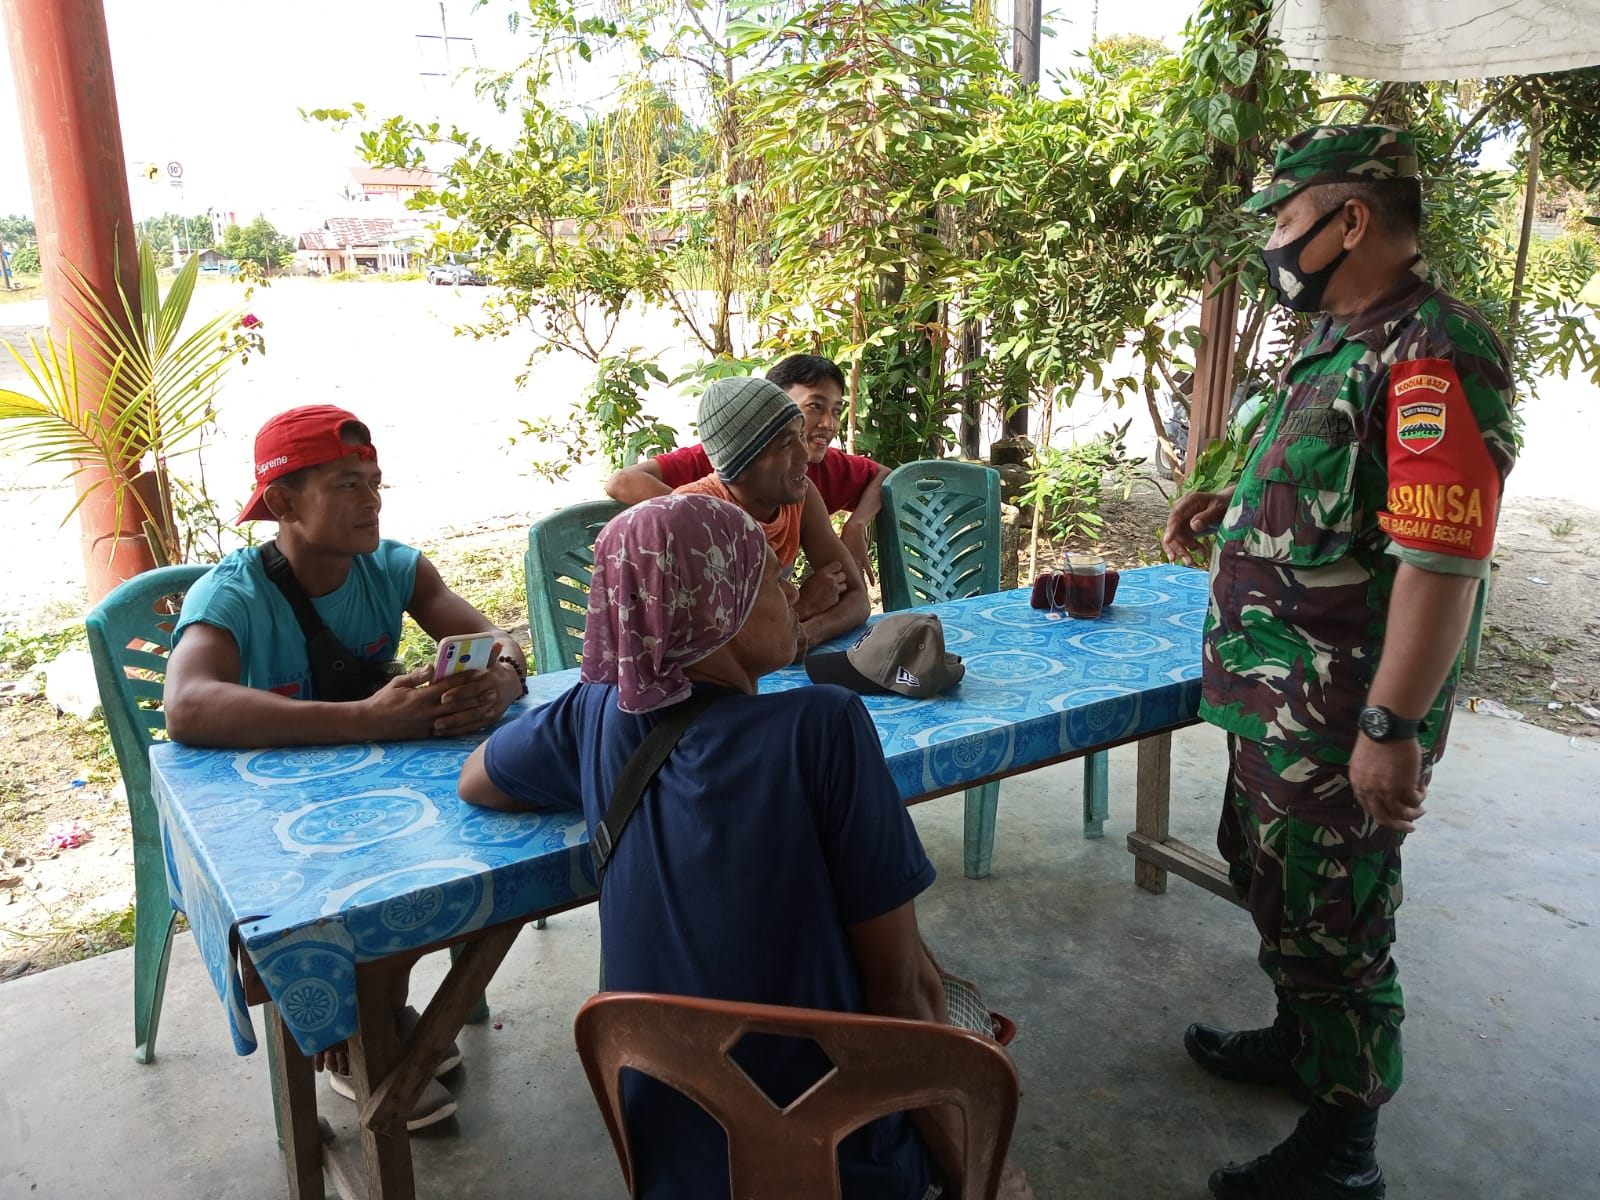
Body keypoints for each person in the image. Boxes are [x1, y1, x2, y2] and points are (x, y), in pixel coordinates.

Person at [458, 493, 1032, 1200]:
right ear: (714, 603)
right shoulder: (820, 727)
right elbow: (902, 992)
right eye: (768, 576)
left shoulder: (597, 708)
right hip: (837, 1158)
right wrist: (986, 1175)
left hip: (673, 1163)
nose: (793, 590)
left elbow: (479, 778)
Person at [1162, 125, 1517, 1200]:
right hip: (1273, 698)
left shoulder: (1432, 348)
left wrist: (1389, 729)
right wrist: (1239, 507)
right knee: (1271, 883)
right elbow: (1345, 496)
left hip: (1337, 718)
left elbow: (1441, 558)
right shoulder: (1337, 338)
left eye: (1283, 218)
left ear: (1348, 219)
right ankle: (1297, 1042)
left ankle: (1341, 1148)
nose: (1273, 241)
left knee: (1337, 924)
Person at [165, 403, 531, 1130]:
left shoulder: (394, 567)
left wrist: (502, 683)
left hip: (377, 796)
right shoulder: (232, 595)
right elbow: (188, 706)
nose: (371, 501)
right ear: (282, 503)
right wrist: (363, 719)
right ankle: (358, 1032)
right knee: (354, 881)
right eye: (345, 484)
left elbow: (494, 639)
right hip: (268, 820)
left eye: (374, 481)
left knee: (439, 857)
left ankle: (381, 1017)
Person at [605, 354, 890, 579]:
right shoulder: (720, 462)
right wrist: (704, 519)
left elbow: (882, 475)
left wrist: (856, 525)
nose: (828, 423)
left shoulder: (818, 470)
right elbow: (622, 481)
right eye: (815, 406)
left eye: (837, 411)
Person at [670, 374, 870, 656]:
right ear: (740, 463)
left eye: (801, 436)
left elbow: (858, 598)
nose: (804, 456)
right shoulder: (698, 516)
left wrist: (808, 634)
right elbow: (712, 647)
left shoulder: (800, 497)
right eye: (786, 444)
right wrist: (803, 606)